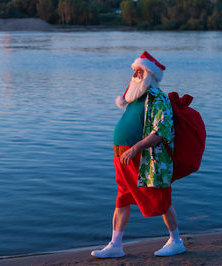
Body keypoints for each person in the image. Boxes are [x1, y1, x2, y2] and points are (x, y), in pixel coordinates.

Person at [91, 51, 186, 258]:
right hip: (122, 157)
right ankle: (115, 245)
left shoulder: (158, 97)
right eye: (134, 70)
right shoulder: (133, 97)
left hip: (144, 159)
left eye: (140, 71)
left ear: (150, 75)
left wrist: (136, 148)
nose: (135, 74)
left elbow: (162, 130)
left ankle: (176, 241)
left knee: (161, 198)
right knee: (122, 199)